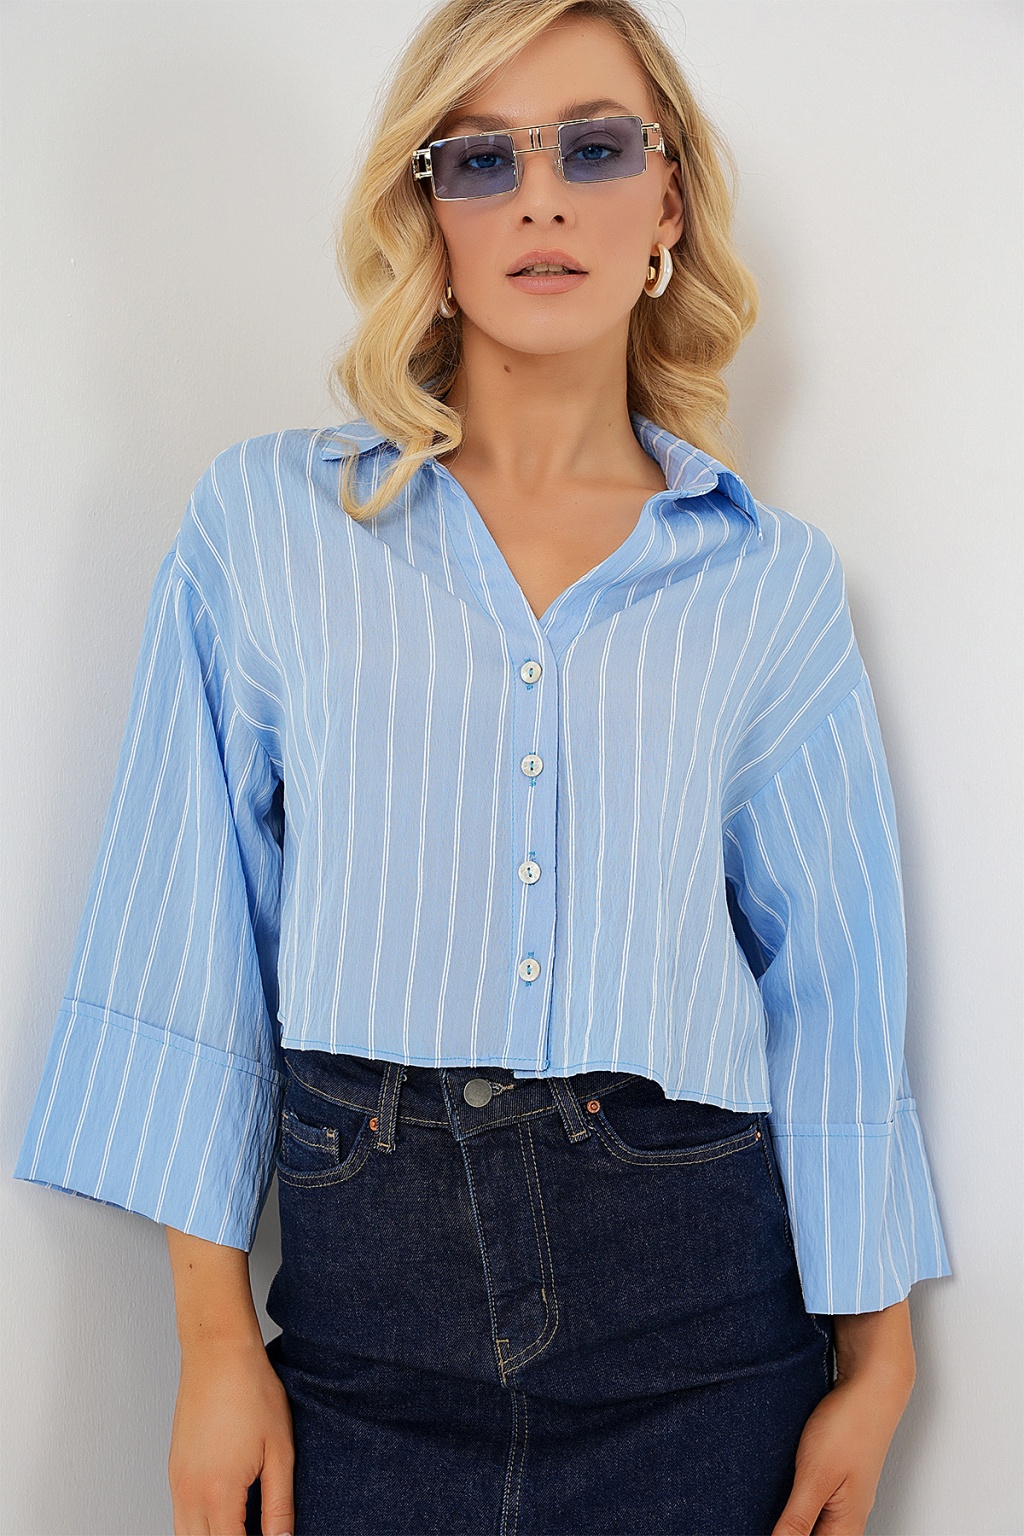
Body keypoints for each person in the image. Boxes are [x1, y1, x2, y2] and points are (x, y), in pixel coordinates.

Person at [13, 1, 953, 1532]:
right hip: (364, 1346)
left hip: (701, 1341)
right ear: (428, 214)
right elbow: (187, 925)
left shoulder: (767, 581)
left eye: (595, 147)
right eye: (481, 158)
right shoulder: (270, 527)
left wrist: (882, 1358)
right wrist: (212, 1348)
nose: (541, 198)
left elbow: (836, 984)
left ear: (668, 202)